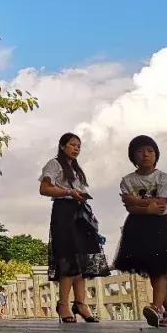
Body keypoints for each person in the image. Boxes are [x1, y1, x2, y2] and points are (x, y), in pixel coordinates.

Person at [113, 135, 167, 328]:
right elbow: (129, 207)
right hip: (138, 226)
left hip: (161, 225)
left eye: (150, 151)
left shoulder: (162, 177)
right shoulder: (127, 180)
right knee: (153, 270)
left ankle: (156, 308)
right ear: (133, 157)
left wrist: (135, 200)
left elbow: (162, 203)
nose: (145, 155)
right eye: (140, 151)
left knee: (160, 268)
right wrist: (146, 207)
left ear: (156, 155)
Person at [38, 132, 110, 323]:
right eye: (72, 145)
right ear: (62, 146)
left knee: (82, 258)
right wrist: (69, 191)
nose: (76, 148)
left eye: (78, 145)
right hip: (64, 211)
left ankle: (80, 303)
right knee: (67, 257)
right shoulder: (55, 164)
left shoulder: (76, 169)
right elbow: (44, 189)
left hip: (80, 213)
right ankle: (63, 305)